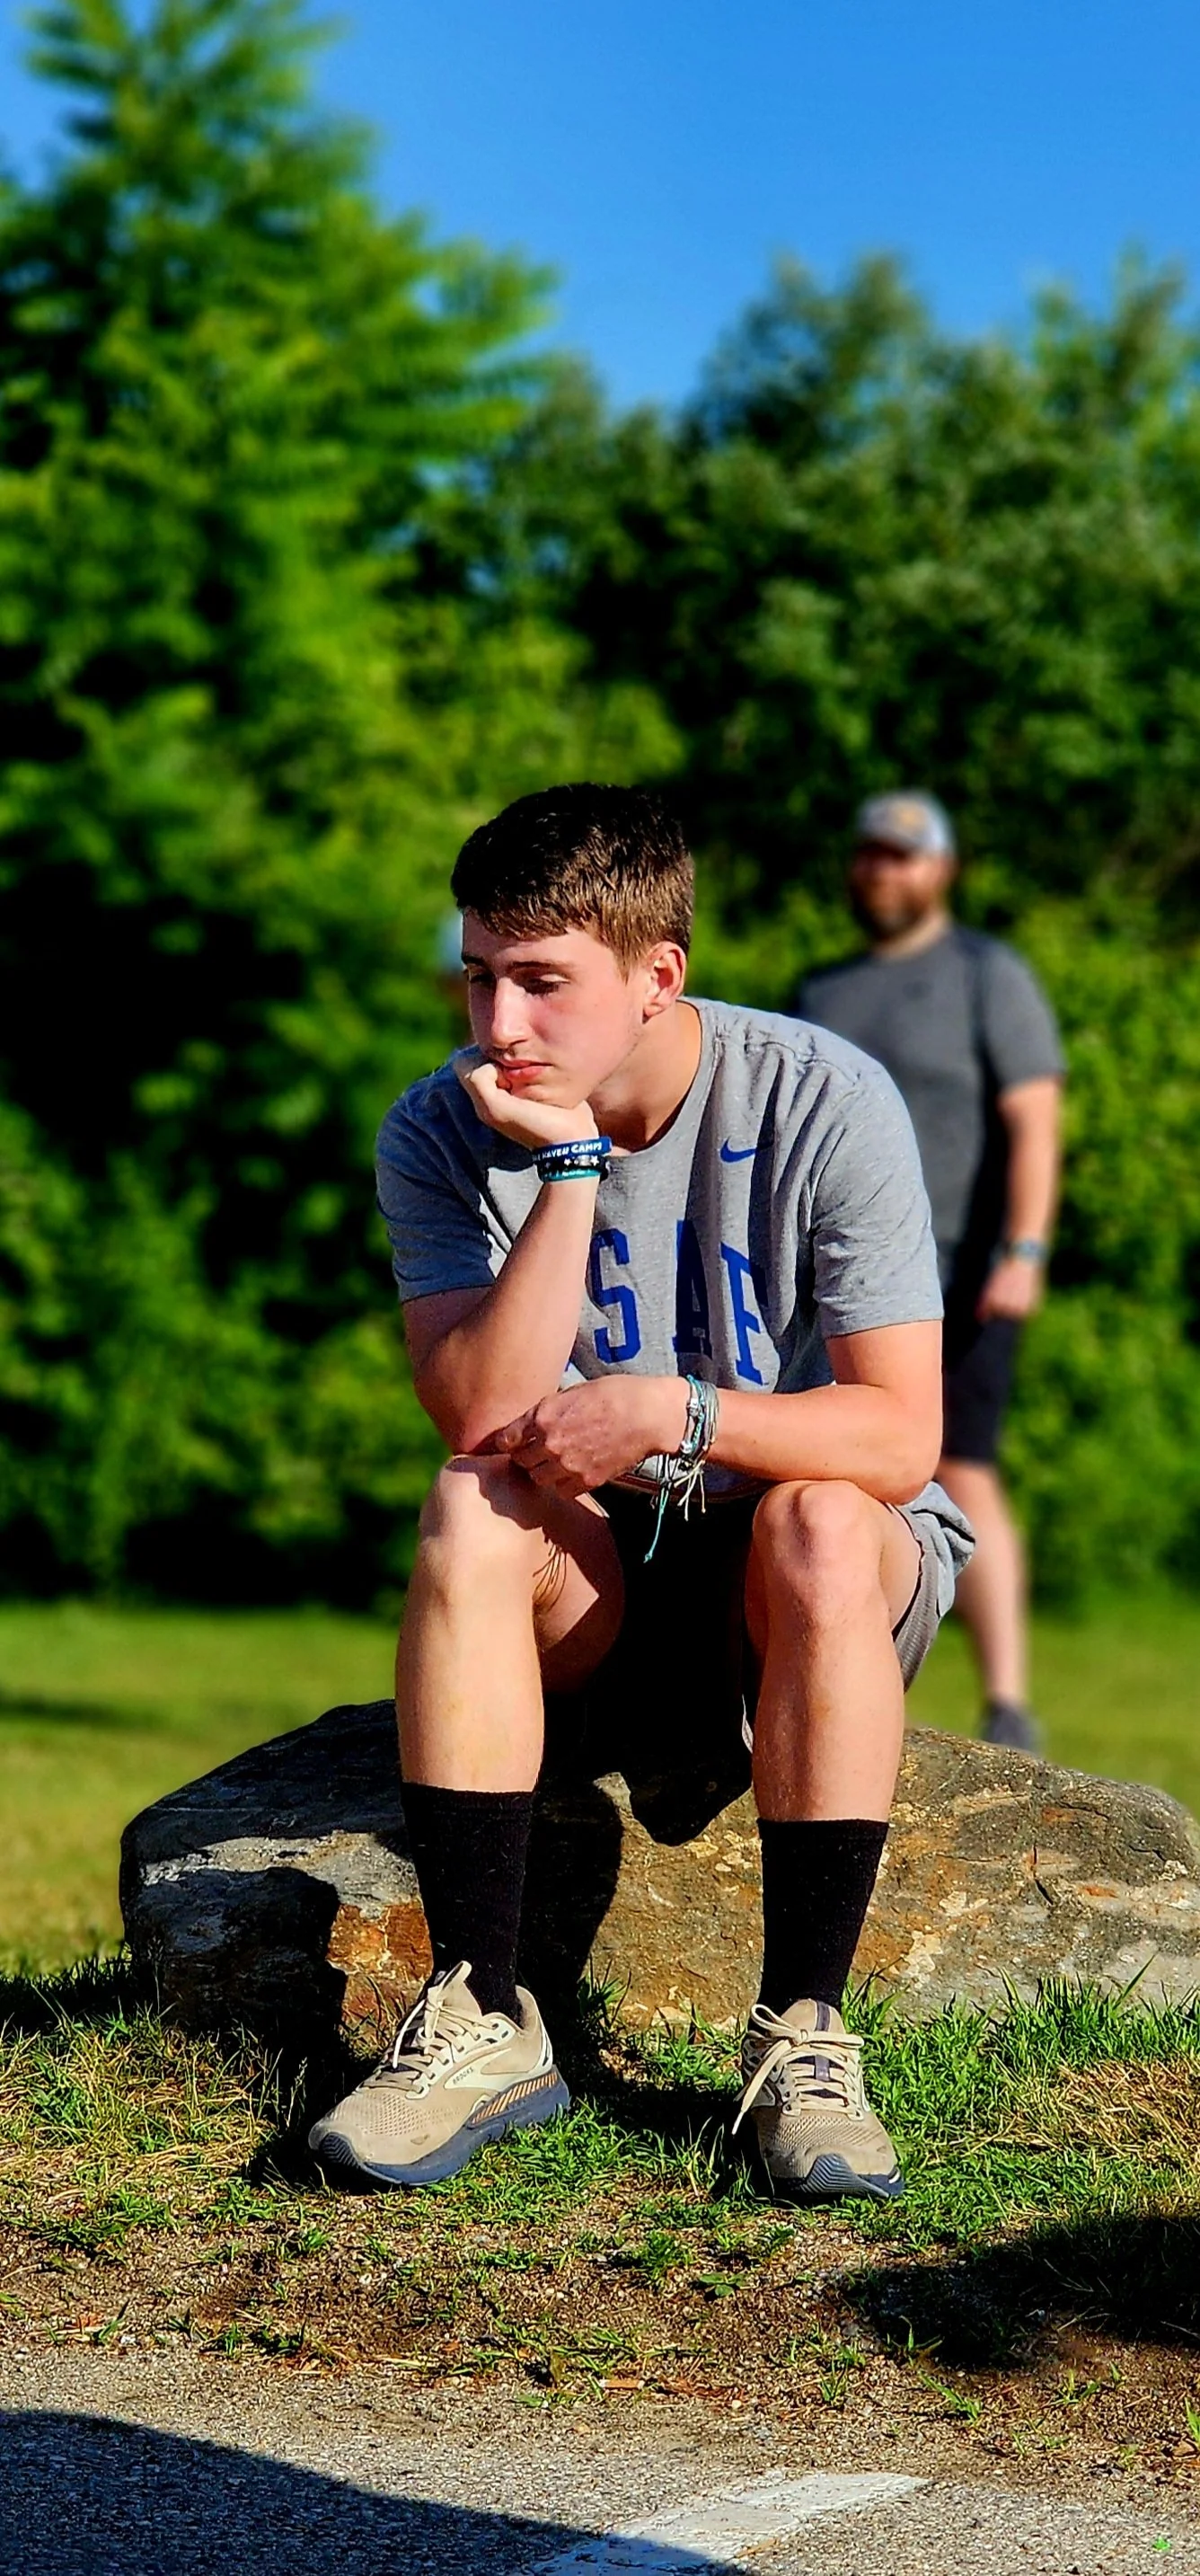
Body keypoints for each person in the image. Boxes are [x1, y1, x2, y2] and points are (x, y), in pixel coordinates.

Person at [308, 784, 972, 2204]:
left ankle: (803, 2032)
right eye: (481, 975)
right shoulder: (439, 1129)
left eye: (542, 983)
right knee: (466, 1501)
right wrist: (566, 1166)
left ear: (657, 973)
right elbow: (481, 1409)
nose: (499, 1025)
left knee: (816, 1516)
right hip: (597, 1576)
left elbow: (902, 1435)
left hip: (797, 1574)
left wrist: (682, 1408)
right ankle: (487, 2011)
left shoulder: (820, 1094)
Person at [797, 792, 1063, 1753]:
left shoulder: (987, 976)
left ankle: (1008, 1703)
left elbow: (1034, 1117)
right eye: (869, 855)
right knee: (829, 1470)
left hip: (960, 1271)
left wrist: (1023, 1249)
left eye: (903, 857)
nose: (882, 872)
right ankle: (833, 1677)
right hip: (833, 1279)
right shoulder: (821, 992)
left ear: (941, 868)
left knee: (959, 1461)